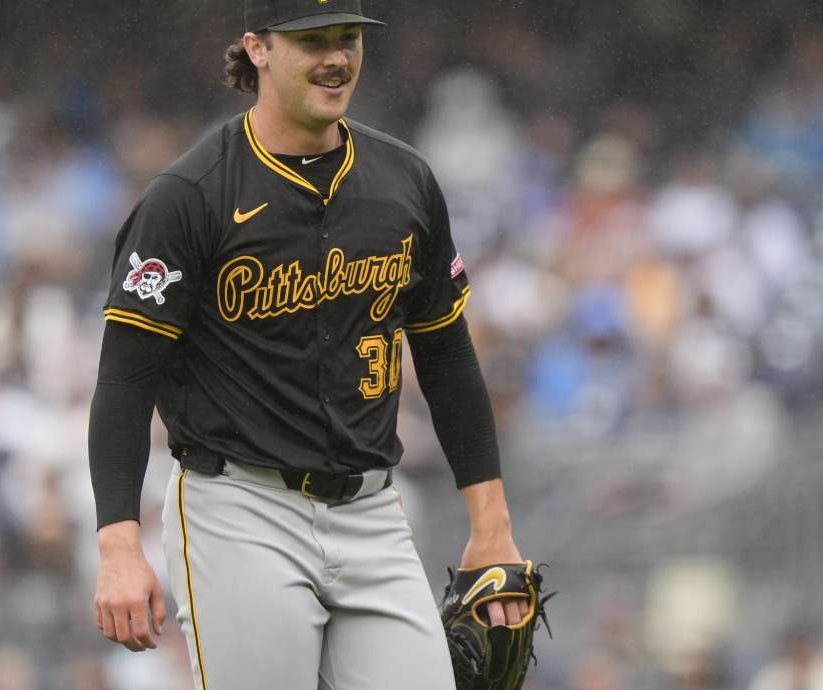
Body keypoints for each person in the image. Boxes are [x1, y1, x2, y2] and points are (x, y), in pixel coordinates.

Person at [88, 1, 526, 688]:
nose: (336, 57)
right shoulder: (190, 196)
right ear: (257, 49)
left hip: (373, 510)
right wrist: (118, 543)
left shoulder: (405, 181)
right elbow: (123, 380)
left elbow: (446, 353)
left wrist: (491, 524)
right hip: (239, 511)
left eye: (347, 38)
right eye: (311, 40)